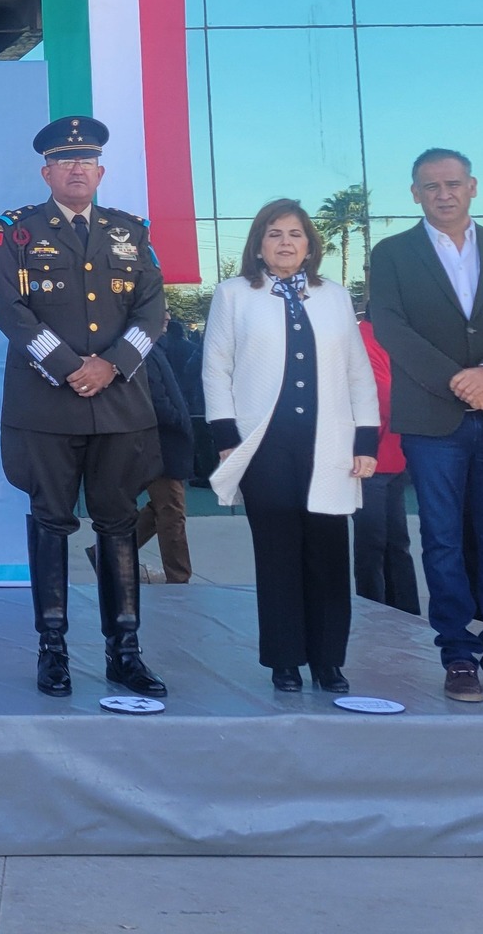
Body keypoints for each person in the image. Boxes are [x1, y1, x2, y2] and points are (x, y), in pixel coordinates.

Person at [0, 115, 169, 699]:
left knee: (119, 523)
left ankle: (125, 651)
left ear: (100, 170)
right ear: (46, 172)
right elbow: (11, 312)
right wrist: (71, 367)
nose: (75, 168)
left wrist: (110, 365)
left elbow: (153, 312)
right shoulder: (15, 230)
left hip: (119, 405)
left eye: (85, 160)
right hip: (45, 406)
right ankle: (53, 651)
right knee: (50, 522)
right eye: (64, 161)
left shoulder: (131, 232)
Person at [367, 148, 483, 705]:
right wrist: (459, 380)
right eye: (430, 186)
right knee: (442, 540)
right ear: (414, 194)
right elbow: (390, 326)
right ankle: (456, 656)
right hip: (433, 420)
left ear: (473, 187)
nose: (442, 193)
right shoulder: (394, 254)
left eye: (452, 183)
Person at [204, 202, 379, 693]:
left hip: (329, 445)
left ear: (310, 245)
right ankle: (284, 659)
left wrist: (365, 437)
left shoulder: (335, 297)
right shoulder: (234, 295)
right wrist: (225, 439)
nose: (286, 242)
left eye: (296, 234)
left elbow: (357, 371)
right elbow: (215, 367)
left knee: (328, 552)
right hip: (265, 446)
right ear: (258, 244)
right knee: (277, 553)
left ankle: (328, 661)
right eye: (275, 234)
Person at [353, 315, 421, 615]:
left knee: (394, 542)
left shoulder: (383, 339)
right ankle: (377, 610)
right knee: (375, 543)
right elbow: (384, 396)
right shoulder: (363, 340)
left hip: (390, 454)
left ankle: (401, 611)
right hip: (371, 456)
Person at [131, 357, 194, 583]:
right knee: (172, 511)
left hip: (163, 445)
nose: (167, 318)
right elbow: (156, 401)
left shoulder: (152, 351)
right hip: (161, 446)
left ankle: (108, 550)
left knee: (163, 507)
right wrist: (181, 421)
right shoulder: (147, 354)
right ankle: (178, 577)